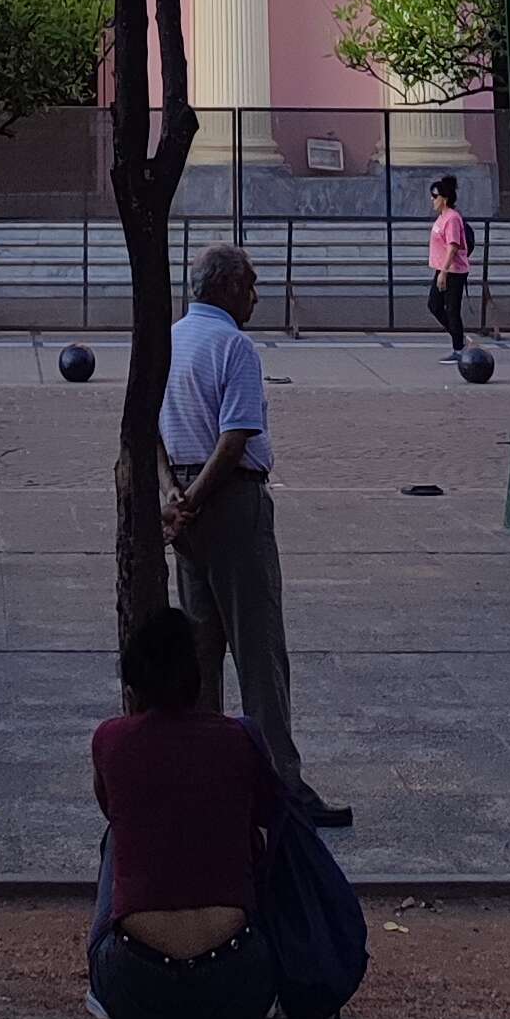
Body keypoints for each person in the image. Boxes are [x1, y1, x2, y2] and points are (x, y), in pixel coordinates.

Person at [159, 242, 351, 827]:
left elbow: (148, 426)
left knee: (201, 650)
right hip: (231, 501)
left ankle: (204, 777)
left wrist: (174, 496)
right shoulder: (234, 346)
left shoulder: (170, 338)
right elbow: (236, 435)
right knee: (259, 651)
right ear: (225, 288)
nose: (256, 297)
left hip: (185, 506)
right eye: (250, 285)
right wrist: (196, 497)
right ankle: (280, 785)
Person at [85, 602, 286, 1019]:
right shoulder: (240, 738)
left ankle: (107, 985)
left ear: (134, 682)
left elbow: (111, 810)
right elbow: (270, 813)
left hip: (135, 985)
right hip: (237, 983)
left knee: (117, 836)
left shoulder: (111, 741)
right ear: (197, 677)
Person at [425, 174, 472, 358]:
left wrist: (443, 272)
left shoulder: (452, 218)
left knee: (452, 308)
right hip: (443, 268)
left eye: (435, 196)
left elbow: (453, 246)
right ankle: (459, 338)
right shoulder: (442, 217)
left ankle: (458, 348)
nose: (432, 199)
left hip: (453, 270)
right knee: (435, 305)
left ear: (444, 198)